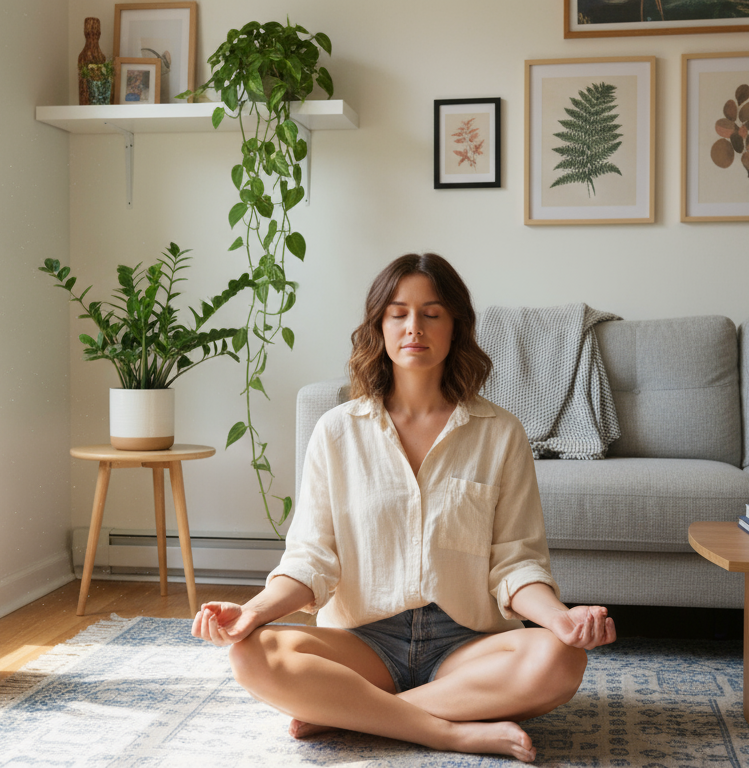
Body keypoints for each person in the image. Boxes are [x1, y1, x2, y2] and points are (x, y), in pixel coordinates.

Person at [191, 253, 616, 762]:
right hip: (363, 642)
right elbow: (311, 560)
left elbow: (516, 563)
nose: (414, 327)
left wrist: (561, 620)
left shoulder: (501, 433)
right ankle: (447, 729)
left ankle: (355, 713)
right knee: (252, 655)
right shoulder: (336, 431)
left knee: (560, 660)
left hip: (466, 644)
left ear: (456, 326)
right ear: (379, 326)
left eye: (432, 313)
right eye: (398, 313)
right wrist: (251, 611)